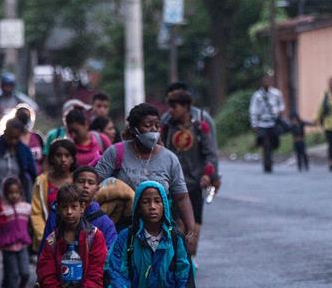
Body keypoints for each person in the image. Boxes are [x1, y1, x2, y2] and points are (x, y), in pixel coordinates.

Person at [94, 103, 198, 251]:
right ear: (134, 129)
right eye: (148, 125)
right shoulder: (115, 153)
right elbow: (95, 184)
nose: (154, 130)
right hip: (123, 228)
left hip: (159, 229)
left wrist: (190, 228)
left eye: (157, 125)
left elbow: (181, 197)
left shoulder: (169, 159)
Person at [161, 88, 219, 257]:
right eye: (170, 107)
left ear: (186, 107)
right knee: (178, 223)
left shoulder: (201, 126)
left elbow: (210, 153)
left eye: (175, 107)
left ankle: (191, 256)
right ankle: (181, 258)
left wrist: (208, 175)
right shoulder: (166, 127)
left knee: (195, 223)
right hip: (173, 184)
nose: (171, 111)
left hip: (195, 183)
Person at [0, 117, 38, 202]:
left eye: (16, 138)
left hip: (17, 202)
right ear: (4, 133)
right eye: (10, 137)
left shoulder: (25, 153)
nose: (13, 141)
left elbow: (32, 176)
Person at [31, 139, 76, 251]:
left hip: (75, 238)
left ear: (73, 159)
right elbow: (36, 212)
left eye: (67, 155)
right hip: (48, 239)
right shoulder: (42, 181)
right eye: (58, 155)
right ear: (51, 158)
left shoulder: (78, 180)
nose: (63, 160)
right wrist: (45, 237)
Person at [0, 177, 32, 288]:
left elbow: (34, 220)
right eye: (10, 193)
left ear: (21, 192)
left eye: (16, 192)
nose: (14, 195)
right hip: (7, 247)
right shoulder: (2, 210)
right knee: (13, 273)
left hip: (22, 245)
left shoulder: (26, 208)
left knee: (25, 273)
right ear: (5, 193)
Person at [249, 74, 285, 173]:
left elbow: (282, 106)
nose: (266, 83)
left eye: (268, 81)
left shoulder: (277, 94)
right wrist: (254, 123)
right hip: (262, 123)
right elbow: (253, 110)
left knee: (274, 142)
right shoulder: (257, 95)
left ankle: (269, 157)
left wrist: (279, 112)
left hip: (273, 122)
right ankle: (267, 163)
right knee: (265, 143)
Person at [14, 105, 45, 174]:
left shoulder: (37, 137)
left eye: (27, 118)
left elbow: (44, 160)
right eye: (22, 118)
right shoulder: (13, 139)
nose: (25, 122)